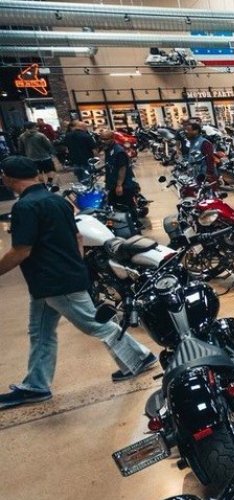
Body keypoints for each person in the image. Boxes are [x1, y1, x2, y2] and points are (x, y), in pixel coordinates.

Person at [0, 156, 156, 410]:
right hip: (53, 280)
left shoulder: (25, 207)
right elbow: (78, 237)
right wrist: (75, 264)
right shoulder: (57, 200)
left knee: (94, 323)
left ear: (8, 178)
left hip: (54, 281)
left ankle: (140, 357)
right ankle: (36, 385)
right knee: (40, 332)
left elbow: (21, 250)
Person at [99, 130, 141, 225]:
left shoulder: (118, 151)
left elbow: (122, 168)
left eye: (105, 139)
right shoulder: (108, 149)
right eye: (101, 139)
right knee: (114, 204)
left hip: (123, 185)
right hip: (113, 184)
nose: (103, 141)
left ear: (112, 138)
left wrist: (119, 185)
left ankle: (135, 224)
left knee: (126, 206)